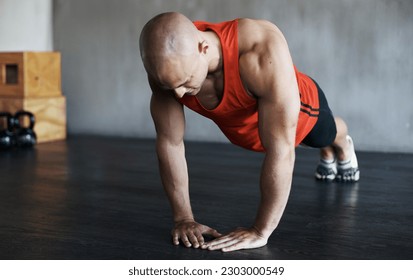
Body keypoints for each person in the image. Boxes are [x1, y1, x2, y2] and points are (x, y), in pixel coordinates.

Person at [139, 12, 360, 252]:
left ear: (203, 48)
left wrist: (260, 231)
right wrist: (183, 219)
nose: (179, 95)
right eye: (171, 86)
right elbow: (170, 142)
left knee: (321, 137)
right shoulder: (167, 70)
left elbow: (281, 150)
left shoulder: (260, 50)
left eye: (185, 81)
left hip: (305, 110)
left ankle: (342, 143)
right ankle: (328, 150)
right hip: (251, 134)